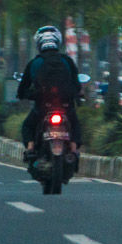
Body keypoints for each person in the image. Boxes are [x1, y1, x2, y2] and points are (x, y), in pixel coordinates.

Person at [18, 26, 83, 161]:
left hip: (43, 107)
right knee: (75, 124)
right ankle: (73, 149)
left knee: (28, 125)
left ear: (39, 44)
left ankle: (30, 148)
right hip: (66, 106)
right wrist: (77, 96)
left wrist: (27, 95)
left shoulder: (35, 63)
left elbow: (23, 88)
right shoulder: (67, 61)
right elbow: (77, 85)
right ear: (57, 42)